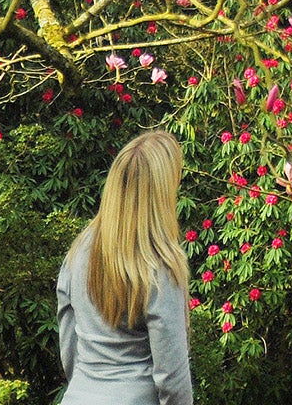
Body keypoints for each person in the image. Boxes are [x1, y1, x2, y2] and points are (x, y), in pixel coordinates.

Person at [56, 129, 196, 405]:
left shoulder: (79, 250)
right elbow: (172, 377)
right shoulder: (158, 266)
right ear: (162, 194)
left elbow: (69, 343)